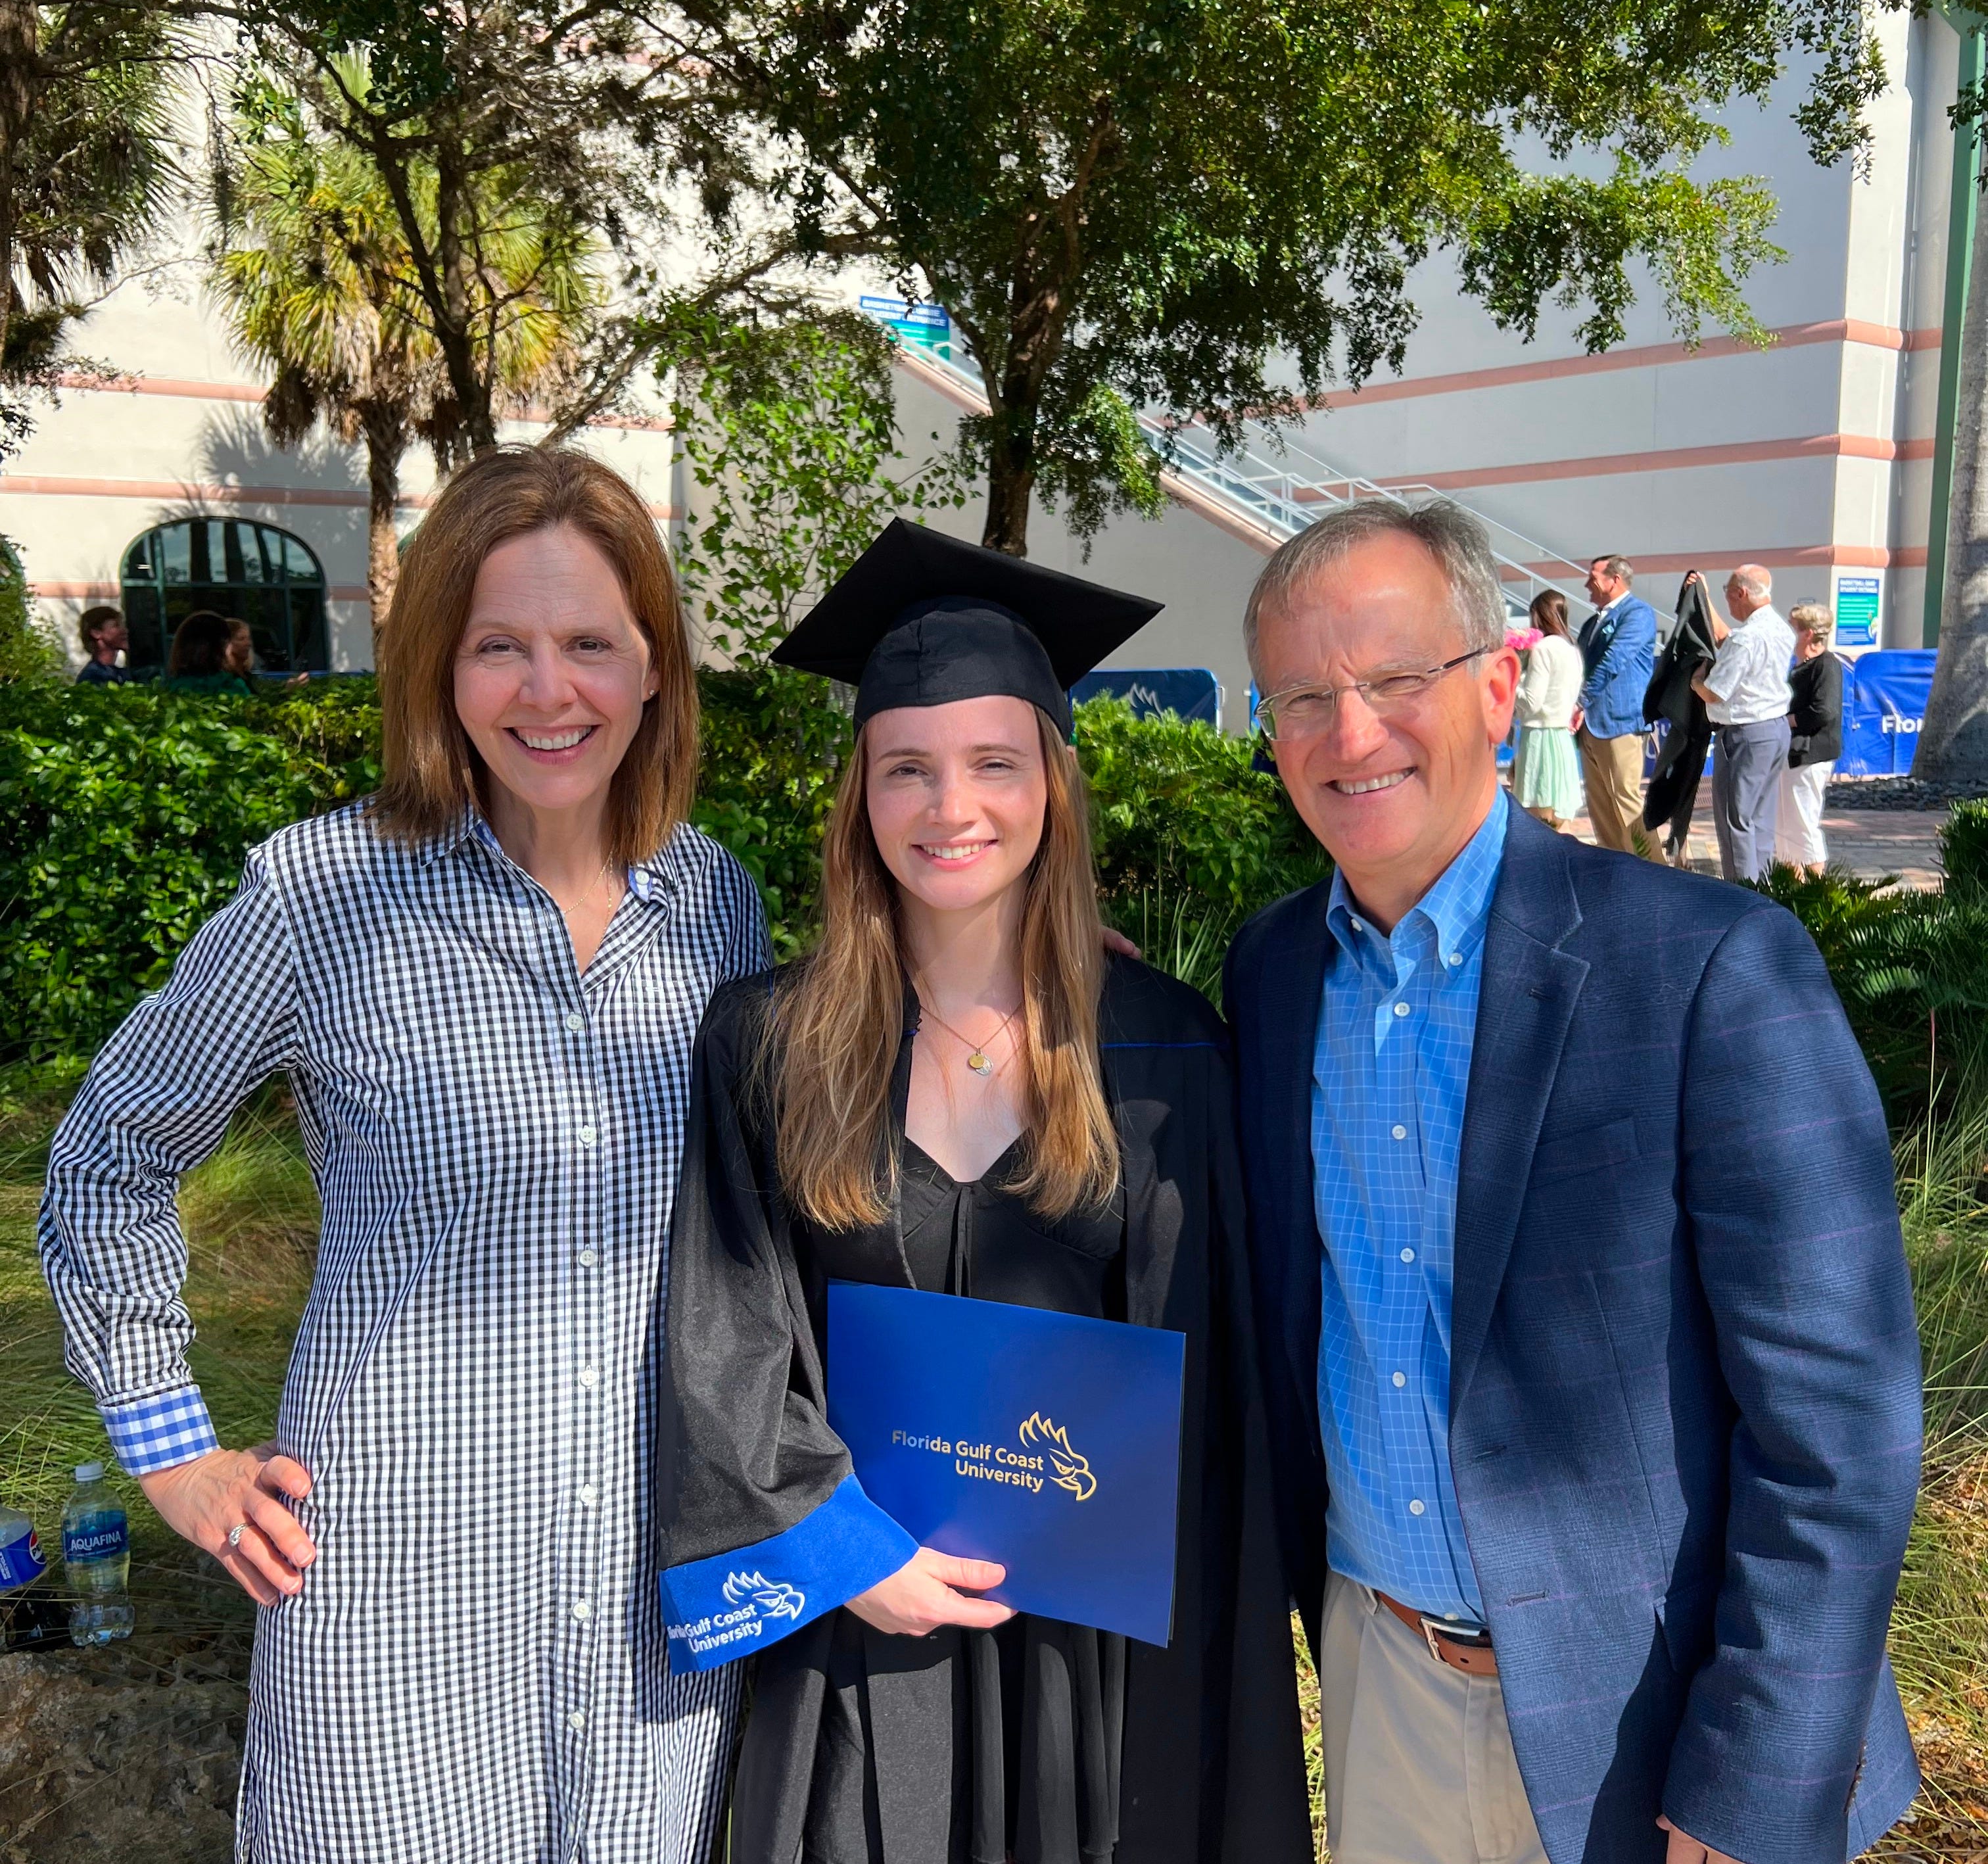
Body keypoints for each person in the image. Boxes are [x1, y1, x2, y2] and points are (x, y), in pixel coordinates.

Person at [39, 446, 769, 1862]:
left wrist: (1019, 965)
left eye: (589, 644)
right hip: (397, 1605)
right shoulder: (323, 895)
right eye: (499, 646)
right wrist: (176, 1454)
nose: (547, 691)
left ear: (653, 669)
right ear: (439, 667)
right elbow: (111, 1152)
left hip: (653, 1617)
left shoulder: (713, 904)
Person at [1227, 498, 1921, 1864]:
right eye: (1300, 696)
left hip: (1654, 1725)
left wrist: (1755, 1781)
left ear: (1497, 690)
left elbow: (1837, 1423)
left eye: (1394, 678)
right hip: (1382, 1685)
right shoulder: (1271, 974)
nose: (1349, 733)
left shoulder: (1706, 967)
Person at [657, 521, 1312, 1864]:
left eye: (993, 763)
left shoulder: (1165, 1050)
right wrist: (843, 1553)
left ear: (1052, 786)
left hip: (1097, 1652)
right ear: (860, 796)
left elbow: (1222, 1398)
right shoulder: (766, 1043)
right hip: (861, 1629)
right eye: (906, 766)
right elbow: (723, 1335)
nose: (949, 806)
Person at [1690, 565, 1796, 883]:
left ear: (1741, 593)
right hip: (1774, 729)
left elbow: (1714, 692)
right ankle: (1762, 889)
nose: (1728, 601)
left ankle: (1741, 894)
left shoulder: (1747, 638)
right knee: (1759, 819)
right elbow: (1727, 637)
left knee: (1734, 821)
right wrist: (1705, 597)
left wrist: (1696, 682)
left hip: (1744, 734)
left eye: (1728, 593)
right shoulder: (1779, 628)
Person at [1573, 552, 1659, 858]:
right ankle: (1615, 872)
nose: (1587, 585)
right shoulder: (1592, 622)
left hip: (1620, 724)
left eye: (1593, 578)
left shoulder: (1638, 614)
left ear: (1615, 580)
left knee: (1626, 805)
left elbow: (1613, 661)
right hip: (1591, 727)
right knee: (1602, 811)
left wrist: (1580, 701)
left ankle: (1655, 873)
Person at [1777, 601, 1843, 876]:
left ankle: (1817, 885)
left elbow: (1824, 711)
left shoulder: (1826, 665)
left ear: (1807, 633)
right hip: (1793, 754)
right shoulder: (1800, 665)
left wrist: (1785, 720)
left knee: (1803, 822)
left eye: (1793, 627)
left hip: (1810, 754)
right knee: (1784, 824)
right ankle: (1791, 883)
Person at [1508, 589, 1582, 830]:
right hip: (1561, 739)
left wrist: (1511, 682)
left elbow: (1532, 701)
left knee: (1537, 818)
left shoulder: (1543, 649)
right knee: (1560, 820)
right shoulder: (1572, 649)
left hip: (1539, 739)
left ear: (1539, 615)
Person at [164, 609, 256, 694]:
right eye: (241, 638)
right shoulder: (233, 687)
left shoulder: (171, 689)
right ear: (220, 647)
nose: (248, 644)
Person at [74, 605, 133, 684]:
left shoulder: (120, 673)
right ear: (96, 633)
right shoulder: (92, 678)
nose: (125, 631)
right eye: (116, 625)